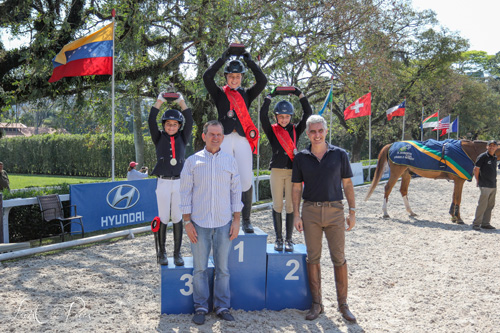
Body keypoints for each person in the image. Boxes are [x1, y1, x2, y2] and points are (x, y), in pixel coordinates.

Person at [291, 115, 357, 323]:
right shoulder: (301, 157)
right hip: (310, 211)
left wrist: (352, 211)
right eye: (312, 131)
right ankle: (317, 304)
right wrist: (296, 214)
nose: (317, 135)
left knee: (339, 258)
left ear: (326, 131)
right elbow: (295, 188)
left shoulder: (340, 155)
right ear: (308, 134)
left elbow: (347, 184)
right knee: (313, 258)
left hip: (336, 211)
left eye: (320, 131)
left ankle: (343, 305)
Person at [180, 120, 242, 325]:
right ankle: (200, 306)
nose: (215, 137)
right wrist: (187, 222)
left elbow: (236, 192)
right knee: (199, 269)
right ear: (204, 136)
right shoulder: (192, 161)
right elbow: (185, 193)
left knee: (223, 268)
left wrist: (236, 220)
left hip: (224, 223)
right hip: (199, 224)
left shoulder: (230, 161)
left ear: (223, 137)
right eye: (212, 134)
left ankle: (222, 306)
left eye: (219, 134)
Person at [203, 46, 267, 233]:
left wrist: (249, 61)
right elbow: (207, 77)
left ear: (241, 78)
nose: (234, 79)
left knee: (245, 179)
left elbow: (262, 80)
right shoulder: (220, 93)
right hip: (222, 140)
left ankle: (246, 219)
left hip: (242, 139)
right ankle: (224, 217)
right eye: (231, 76)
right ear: (226, 77)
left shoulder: (247, 93)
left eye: (238, 77)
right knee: (223, 178)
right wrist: (222, 59)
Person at [259, 87, 312, 252]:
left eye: (287, 116)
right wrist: (269, 97)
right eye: (280, 117)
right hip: (276, 171)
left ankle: (289, 239)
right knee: (277, 205)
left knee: (290, 206)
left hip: (292, 172)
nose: (283, 119)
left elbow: (308, 112)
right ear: (276, 117)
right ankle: (279, 239)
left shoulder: (296, 129)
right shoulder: (272, 130)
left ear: (291, 117)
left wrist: (299, 94)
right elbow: (262, 116)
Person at [148, 92, 193, 266]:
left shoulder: (183, 137)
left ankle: (177, 253)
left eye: (175, 124)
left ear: (179, 126)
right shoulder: (158, 137)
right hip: (163, 182)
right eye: (168, 124)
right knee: (163, 217)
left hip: (179, 182)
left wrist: (182, 101)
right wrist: (159, 101)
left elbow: (189, 119)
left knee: (177, 216)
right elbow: (151, 120)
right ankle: (162, 252)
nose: (171, 127)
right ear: (164, 125)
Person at [471, 140, 498, 231]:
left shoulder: (495, 157)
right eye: (490, 146)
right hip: (484, 185)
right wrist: (478, 180)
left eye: (494, 146)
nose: (492, 147)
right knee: (482, 205)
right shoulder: (482, 156)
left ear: (497, 147)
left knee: (490, 205)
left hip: (493, 185)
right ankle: (476, 224)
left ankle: (485, 223)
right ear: (487, 147)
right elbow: (476, 169)